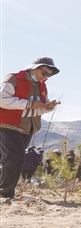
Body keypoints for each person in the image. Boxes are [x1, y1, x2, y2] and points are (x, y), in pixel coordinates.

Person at [0, 57, 61, 198]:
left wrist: (48, 107)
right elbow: (2, 99)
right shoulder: (14, 78)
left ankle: (5, 191)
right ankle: (5, 193)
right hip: (9, 124)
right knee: (15, 157)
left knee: (10, 159)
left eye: (49, 75)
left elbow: (39, 107)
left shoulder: (42, 86)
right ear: (34, 68)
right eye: (44, 73)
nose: (46, 77)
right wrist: (29, 104)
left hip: (29, 127)